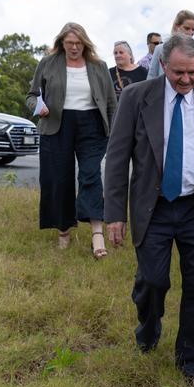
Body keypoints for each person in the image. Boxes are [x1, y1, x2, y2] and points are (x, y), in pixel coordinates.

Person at [104, 34, 194, 387]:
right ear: (163, 66)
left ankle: (192, 363)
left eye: (192, 72)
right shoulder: (137, 98)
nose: (185, 80)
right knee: (153, 281)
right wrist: (115, 214)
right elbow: (117, 159)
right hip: (154, 206)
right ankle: (148, 327)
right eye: (178, 72)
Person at [26, 21, 116, 257]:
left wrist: (114, 131)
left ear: (85, 43)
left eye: (78, 43)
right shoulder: (48, 63)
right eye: (69, 43)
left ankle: (97, 234)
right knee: (58, 179)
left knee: (91, 175)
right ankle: (63, 232)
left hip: (92, 126)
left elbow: (110, 103)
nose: (74, 48)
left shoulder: (99, 66)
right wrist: (38, 106)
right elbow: (32, 95)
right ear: (61, 43)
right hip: (57, 124)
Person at [148, 10, 194, 79]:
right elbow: (151, 76)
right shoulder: (160, 49)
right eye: (187, 28)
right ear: (176, 27)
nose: (190, 32)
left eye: (193, 29)